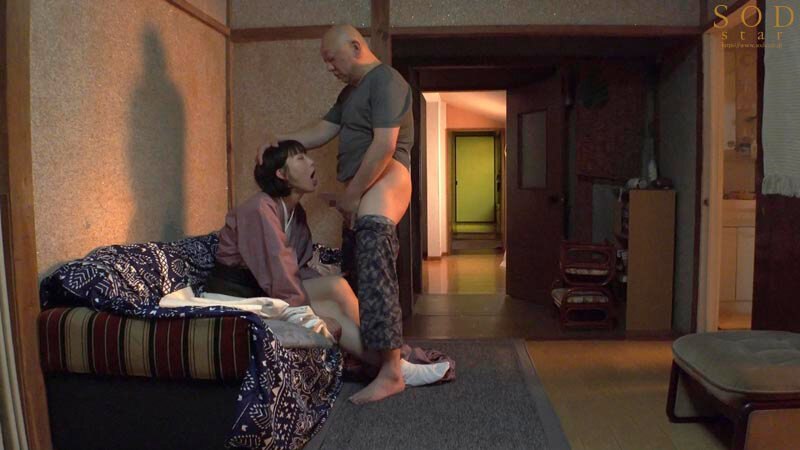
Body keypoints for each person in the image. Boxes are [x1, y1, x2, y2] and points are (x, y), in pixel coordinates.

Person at [257, 24, 413, 404]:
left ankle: (393, 373)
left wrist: (351, 197)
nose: (329, 67)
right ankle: (379, 358)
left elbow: (384, 145)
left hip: (385, 179)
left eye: (332, 59)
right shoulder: (349, 93)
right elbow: (322, 130)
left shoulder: (386, 80)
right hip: (360, 190)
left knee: (375, 269)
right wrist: (281, 138)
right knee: (357, 272)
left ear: (356, 46)